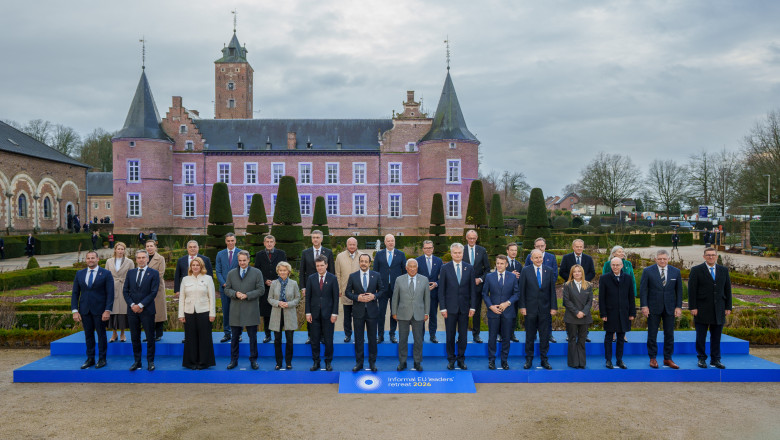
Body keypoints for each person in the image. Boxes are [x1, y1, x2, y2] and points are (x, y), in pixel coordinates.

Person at [688, 247, 733, 369]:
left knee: (716, 336)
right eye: (708, 255)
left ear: (717, 256)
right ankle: (701, 358)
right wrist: (693, 307)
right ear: (704, 257)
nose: (711, 257)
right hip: (701, 308)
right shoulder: (696, 270)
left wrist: (728, 306)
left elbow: (727, 289)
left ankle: (715, 359)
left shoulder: (723, 270)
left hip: (719, 309)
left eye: (713, 255)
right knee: (701, 336)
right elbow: (691, 291)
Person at [639, 249, 683, 369]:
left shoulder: (676, 272)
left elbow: (679, 291)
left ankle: (668, 358)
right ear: (656, 259)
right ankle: (652, 358)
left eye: (664, 258)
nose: (662, 261)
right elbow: (643, 290)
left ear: (668, 259)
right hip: (653, 308)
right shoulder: (648, 271)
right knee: (652, 334)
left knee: (669, 334)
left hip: (670, 308)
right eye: (660, 259)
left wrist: (679, 306)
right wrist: (644, 306)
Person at [71, 250, 114, 369]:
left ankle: (102, 359)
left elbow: (110, 294)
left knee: (101, 335)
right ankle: (90, 359)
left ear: (98, 259)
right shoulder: (79, 274)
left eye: (93, 258)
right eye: (88, 258)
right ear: (86, 260)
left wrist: (107, 310)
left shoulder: (106, 273)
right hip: (85, 310)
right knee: (88, 335)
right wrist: (75, 310)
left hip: (100, 311)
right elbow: (75, 293)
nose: (90, 260)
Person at [224, 251, 265, 370]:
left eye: (244, 260)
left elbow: (261, 289)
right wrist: (235, 294)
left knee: (253, 337)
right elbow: (227, 290)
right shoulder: (231, 273)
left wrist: (247, 295)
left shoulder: (257, 272)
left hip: (251, 309)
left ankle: (253, 360)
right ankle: (233, 360)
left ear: (248, 260)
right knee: (234, 337)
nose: (242, 262)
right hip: (235, 310)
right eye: (240, 260)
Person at [438, 242, 476, 370]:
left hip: (465, 308)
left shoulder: (469, 268)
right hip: (449, 309)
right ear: (451, 253)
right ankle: (451, 359)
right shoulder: (445, 268)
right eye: (455, 252)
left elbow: (472, 290)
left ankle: (461, 359)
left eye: (459, 252)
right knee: (450, 335)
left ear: (463, 253)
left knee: (463, 336)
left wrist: (473, 307)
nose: (457, 255)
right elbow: (441, 290)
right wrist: (442, 308)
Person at [518, 249, 558, 370]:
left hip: (545, 309)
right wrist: (522, 306)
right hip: (530, 309)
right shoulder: (525, 270)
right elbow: (522, 290)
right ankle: (529, 359)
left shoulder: (549, 270)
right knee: (530, 336)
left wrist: (553, 307)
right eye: (536, 257)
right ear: (531, 259)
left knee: (544, 336)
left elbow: (552, 290)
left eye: (540, 257)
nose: (539, 259)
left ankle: (544, 360)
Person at [345, 254, 384, 372]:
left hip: (372, 312)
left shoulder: (376, 275)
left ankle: (372, 363)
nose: (363, 263)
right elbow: (347, 292)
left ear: (369, 263)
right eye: (362, 261)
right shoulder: (353, 276)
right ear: (359, 262)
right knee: (359, 338)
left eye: (366, 261)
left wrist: (374, 296)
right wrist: (357, 297)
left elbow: (382, 290)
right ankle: (359, 363)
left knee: (372, 338)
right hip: (358, 312)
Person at [124, 249, 160, 371]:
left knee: (150, 337)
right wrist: (133, 305)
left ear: (147, 259)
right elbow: (125, 291)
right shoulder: (130, 273)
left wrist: (140, 305)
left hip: (147, 310)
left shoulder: (154, 273)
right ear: (136, 259)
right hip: (132, 311)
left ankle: (150, 361)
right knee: (135, 337)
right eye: (138, 258)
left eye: (143, 257)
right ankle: (137, 361)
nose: (141, 260)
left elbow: (153, 292)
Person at [482, 255, 519, 370]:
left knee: (506, 338)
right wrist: (490, 306)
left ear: (506, 264)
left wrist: (507, 303)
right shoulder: (489, 277)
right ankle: (491, 361)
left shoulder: (512, 277)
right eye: (497, 263)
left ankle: (504, 361)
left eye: (502, 263)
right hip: (493, 312)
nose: (499, 265)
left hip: (508, 312)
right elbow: (484, 294)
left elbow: (516, 294)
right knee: (492, 337)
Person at [178, 257, 216, 370]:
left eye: (197, 265)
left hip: (204, 312)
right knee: (190, 338)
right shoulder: (185, 279)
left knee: (205, 338)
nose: (195, 267)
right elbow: (181, 298)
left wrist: (212, 314)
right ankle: (191, 362)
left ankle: (204, 362)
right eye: (193, 265)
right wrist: (181, 314)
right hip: (189, 312)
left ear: (201, 266)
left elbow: (212, 297)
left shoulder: (208, 278)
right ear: (190, 267)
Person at [392, 259, 430, 372]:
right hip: (402, 314)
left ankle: (417, 362)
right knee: (403, 339)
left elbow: (427, 298)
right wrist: (394, 312)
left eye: (414, 266)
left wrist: (426, 312)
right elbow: (395, 298)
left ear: (417, 268)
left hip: (419, 314)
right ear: (406, 267)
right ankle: (402, 362)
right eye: (410, 266)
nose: (412, 268)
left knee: (418, 340)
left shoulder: (424, 280)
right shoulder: (399, 280)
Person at [599, 257, 636, 369]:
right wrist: (603, 313)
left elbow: (631, 297)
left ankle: (619, 359)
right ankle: (608, 360)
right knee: (609, 337)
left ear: (622, 266)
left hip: (624, 313)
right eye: (613, 265)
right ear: (611, 266)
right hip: (610, 313)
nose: (615, 267)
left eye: (617, 265)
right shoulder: (604, 278)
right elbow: (602, 298)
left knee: (621, 337)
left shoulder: (628, 278)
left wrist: (632, 313)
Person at [299, 230, 335, 344]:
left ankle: (324, 336)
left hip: (325, 287)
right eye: (313, 237)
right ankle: (311, 336)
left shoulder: (328, 252)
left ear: (322, 239)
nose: (315, 239)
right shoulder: (306, 252)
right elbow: (302, 271)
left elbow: (332, 272)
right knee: (311, 311)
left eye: (318, 237)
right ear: (311, 239)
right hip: (311, 287)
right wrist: (303, 287)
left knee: (325, 311)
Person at [174, 240, 214, 342]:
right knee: (188, 317)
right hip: (187, 291)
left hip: (202, 294)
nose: (192, 248)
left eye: (194, 247)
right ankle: (187, 336)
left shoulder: (206, 259)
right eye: (190, 247)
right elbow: (177, 276)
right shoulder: (181, 260)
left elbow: (210, 276)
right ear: (187, 249)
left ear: (198, 248)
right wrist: (177, 290)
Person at [305, 255, 339, 371]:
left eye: (321, 265)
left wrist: (335, 313)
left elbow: (335, 298)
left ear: (326, 265)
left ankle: (328, 362)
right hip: (314, 315)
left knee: (329, 340)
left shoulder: (333, 278)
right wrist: (307, 312)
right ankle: (316, 362)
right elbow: (308, 297)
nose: (319, 268)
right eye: (317, 266)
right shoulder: (311, 278)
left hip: (328, 315)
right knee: (314, 340)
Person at [558, 239, 595, 343]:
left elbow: (592, 272)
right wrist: (572, 280)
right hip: (571, 288)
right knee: (570, 310)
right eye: (577, 246)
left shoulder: (588, 258)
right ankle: (570, 334)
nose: (579, 248)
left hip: (584, 288)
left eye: (581, 246)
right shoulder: (566, 258)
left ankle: (585, 334)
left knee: (584, 311)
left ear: (583, 247)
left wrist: (583, 281)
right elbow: (562, 271)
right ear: (573, 247)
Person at [524, 237, 559, 343]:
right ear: (534, 247)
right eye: (538, 246)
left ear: (545, 246)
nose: (540, 247)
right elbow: (526, 273)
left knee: (547, 316)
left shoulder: (551, 257)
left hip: (546, 292)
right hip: (533, 294)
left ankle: (549, 334)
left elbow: (554, 274)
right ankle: (533, 334)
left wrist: (546, 286)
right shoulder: (529, 257)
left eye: (542, 246)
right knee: (532, 317)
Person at [373, 234, 406, 343]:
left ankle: (392, 334)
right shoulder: (379, 254)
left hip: (396, 289)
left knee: (394, 312)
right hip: (382, 289)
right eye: (388, 241)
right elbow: (375, 272)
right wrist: (376, 287)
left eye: (392, 240)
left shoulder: (401, 254)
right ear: (385, 242)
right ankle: (380, 335)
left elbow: (404, 272)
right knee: (381, 313)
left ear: (394, 242)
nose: (391, 242)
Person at [267, 261, 300, 370]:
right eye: (280, 270)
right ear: (278, 271)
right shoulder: (274, 283)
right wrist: (278, 303)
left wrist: (288, 304)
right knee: (277, 340)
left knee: (289, 339)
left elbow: (297, 299)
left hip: (289, 313)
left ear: (288, 271)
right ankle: (279, 362)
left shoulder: (294, 283)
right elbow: (269, 298)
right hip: (276, 314)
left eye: (284, 270)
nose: (282, 272)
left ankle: (288, 362)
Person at [255, 235, 287, 344]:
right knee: (266, 313)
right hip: (265, 288)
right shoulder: (259, 255)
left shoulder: (281, 253)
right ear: (264, 243)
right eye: (267, 241)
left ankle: (278, 335)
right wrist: (265, 280)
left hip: (278, 286)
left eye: (271, 241)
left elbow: (285, 269)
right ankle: (267, 335)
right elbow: (257, 270)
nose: (269, 243)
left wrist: (276, 280)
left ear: (274, 243)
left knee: (279, 311)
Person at [602, 245, 636, 342]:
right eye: (619, 252)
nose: (622, 253)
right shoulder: (608, 264)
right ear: (613, 254)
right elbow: (604, 278)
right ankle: (612, 334)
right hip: (611, 295)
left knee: (624, 315)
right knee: (612, 315)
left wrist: (633, 292)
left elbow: (632, 278)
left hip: (625, 294)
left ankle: (623, 334)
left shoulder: (628, 264)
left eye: (622, 251)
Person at [562, 264, 593, 369]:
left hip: (585, 317)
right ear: (572, 273)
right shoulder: (567, 285)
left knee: (582, 339)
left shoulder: (588, 285)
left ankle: (582, 362)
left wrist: (583, 312)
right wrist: (576, 312)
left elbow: (589, 302)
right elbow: (566, 301)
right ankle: (573, 362)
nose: (577, 273)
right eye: (575, 271)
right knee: (572, 339)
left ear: (582, 273)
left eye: (579, 271)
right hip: (571, 317)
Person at [463, 230, 490, 343]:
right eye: (470, 238)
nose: (472, 240)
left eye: (474, 238)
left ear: (477, 238)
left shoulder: (482, 250)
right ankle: (462, 336)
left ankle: (476, 335)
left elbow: (487, 269)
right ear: (466, 238)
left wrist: (480, 279)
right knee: (463, 312)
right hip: (464, 288)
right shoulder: (461, 250)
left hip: (478, 288)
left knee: (476, 312)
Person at [106, 242, 134, 343]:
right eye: (119, 249)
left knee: (123, 311)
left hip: (124, 286)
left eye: (122, 249)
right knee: (112, 310)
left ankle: (122, 333)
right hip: (112, 287)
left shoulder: (129, 261)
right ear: (115, 250)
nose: (120, 251)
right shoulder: (109, 261)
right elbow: (106, 274)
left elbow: (132, 275)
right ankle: (114, 333)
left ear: (124, 250)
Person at [335, 237, 361, 343]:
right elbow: (337, 274)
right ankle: (348, 334)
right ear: (347, 245)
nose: (352, 246)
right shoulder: (340, 257)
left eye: (353, 244)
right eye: (350, 244)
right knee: (347, 315)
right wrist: (339, 289)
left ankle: (359, 335)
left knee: (359, 316)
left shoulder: (362, 255)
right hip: (346, 290)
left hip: (359, 292)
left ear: (356, 245)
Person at [216, 233, 241, 343]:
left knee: (237, 312)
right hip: (224, 288)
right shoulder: (220, 254)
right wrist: (224, 283)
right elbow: (218, 271)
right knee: (226, 311)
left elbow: (244, 270)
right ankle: (227, 333)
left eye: (232, 240)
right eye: (228, 241)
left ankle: (238, 334)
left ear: (235, 241)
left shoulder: (241, 253)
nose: (230, 243)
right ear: (225, 242)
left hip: (237, 289)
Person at [416, 240, 443, 343]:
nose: (428, 249)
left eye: (430, 248)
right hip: (420, 295)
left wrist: (436, 284)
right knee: (421, 316)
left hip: (434, 293)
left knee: (433, 315)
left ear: (433, 248)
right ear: (423, 249)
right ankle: (420, 336)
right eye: (426, 248)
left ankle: (433, 335)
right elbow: (414, 277)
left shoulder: (439, 261)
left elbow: (442, 278)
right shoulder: (417, 261)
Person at [145, 240, 167, 341]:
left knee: (159, 311)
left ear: (155, 247)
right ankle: (149, 334)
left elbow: (160, 273)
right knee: (147, 313)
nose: (149, 248)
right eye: (147, 246)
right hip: (145, 289)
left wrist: (147, 280)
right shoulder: (143, 258)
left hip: (157, 288)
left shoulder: (160, 258)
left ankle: (158, 334)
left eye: (151, 246)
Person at [503, 242, 522, 343]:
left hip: (514, 294)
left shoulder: (518, 264)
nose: (514, 252)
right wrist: (510, 275)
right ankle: (501, 334)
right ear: (507, 251)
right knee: (503, 315)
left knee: (514, 314)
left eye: (515, 250)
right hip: (503, 293)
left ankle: (512, 334)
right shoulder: (502, 262)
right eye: (512, 250)